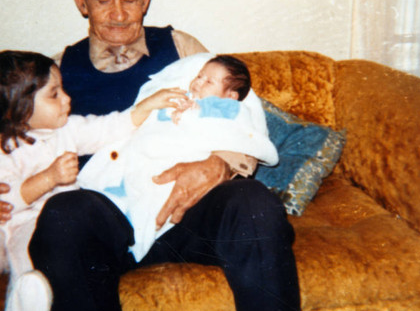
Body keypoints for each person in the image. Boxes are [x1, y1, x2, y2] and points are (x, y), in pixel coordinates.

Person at [0, 0, 304, 311]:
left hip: (188, 213)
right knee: (64, 212)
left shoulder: (184, 50)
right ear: (81, 0)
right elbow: (2, 139)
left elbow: (241, 114)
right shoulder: (56, 74)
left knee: (255, 205)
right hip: (108, 221)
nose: (118, 13)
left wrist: (218, 164)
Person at [0, 50, 187, 311]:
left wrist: (146, 107)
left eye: (62, 89)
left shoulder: (68, 129)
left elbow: (108, 128)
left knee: (30, 263)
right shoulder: (0, 147)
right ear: (18, 107)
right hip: (2, 224)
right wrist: (48, 178)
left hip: (37, 225)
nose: (67, 99)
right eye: (54, 94)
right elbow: (1, 203)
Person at [79, 53, 279, 262]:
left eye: (207, 81)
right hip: (96, 198)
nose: (198, 82)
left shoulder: (226, 104)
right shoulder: (68, 64)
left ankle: (140, 223)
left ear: (231, 96)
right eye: (199, 76)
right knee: (71, 208)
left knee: (252, 197)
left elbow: (240, 132)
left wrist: (193, 116)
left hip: (188, 185)